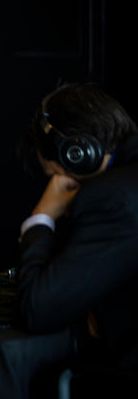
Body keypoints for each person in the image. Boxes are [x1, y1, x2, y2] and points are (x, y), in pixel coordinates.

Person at [16, 82, 138, 372]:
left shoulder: (111, 197)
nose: (58, 189)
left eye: (58, 177)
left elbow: (39, 309)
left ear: (78, 154)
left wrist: (41, 217)